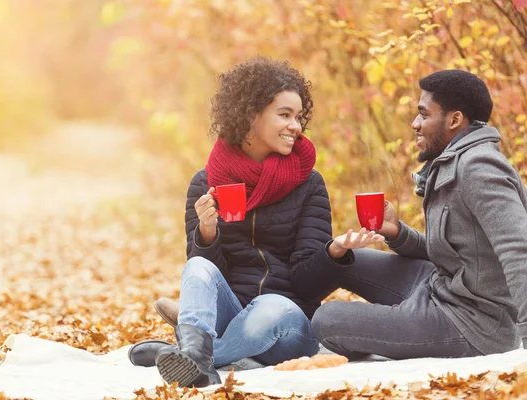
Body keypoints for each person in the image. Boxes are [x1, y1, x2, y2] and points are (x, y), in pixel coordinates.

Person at [127, 57, 382, 387]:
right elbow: (207, 276)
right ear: (251, 116)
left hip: (288, 325)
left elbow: (308, 285)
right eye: (284, 115)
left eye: (298, 117)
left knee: (272, 306)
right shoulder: (205, 184)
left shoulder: (309, 184)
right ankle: (198, 357)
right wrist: (207, 232)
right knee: (196, 269)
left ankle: (189, 352)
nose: (296, 126)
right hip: (233, 315)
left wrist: (333, 252)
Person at [310, 70, 527, 360]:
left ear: (454, 120)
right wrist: (399, 233)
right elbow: (457, 254)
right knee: (348, 259)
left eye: (424, 115)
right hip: (442, 286)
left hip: (472, 323)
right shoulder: (454, 160)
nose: (415, 124)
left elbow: (518, 250)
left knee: (329, 320)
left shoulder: (480, 167)